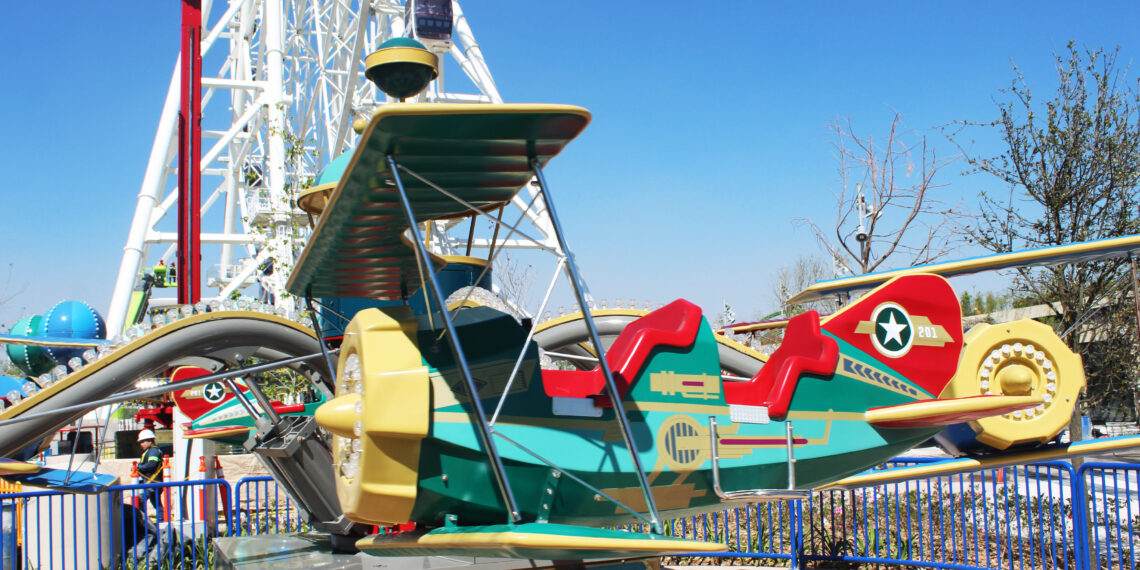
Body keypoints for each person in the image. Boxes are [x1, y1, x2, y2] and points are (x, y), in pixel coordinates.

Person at [137, 429, 165, 522]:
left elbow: (152, 464)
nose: (141, 444)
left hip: (152, 483)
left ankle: (143, 520)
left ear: (150, 440)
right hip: (152, 482)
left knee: (140, 501)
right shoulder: (152, 451)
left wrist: (140, 467)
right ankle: (161, 520)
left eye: (142, 442)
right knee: (156, 503)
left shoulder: (153, 451)